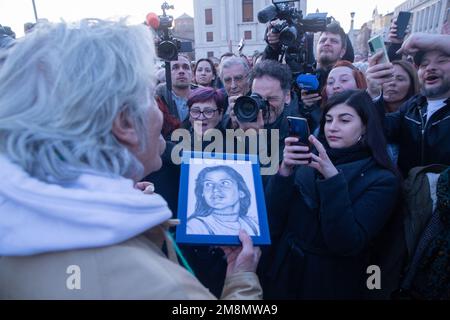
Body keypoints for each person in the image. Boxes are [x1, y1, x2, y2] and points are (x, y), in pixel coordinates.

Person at [0, 19, 262, 300]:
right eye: (150, 96)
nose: (161, 113)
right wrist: (240, 280)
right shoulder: (163, 288)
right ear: (124, 122)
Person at [260, 90, 400, 299]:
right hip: (285, 273)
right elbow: (272, 219)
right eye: (328, 119)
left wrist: (332, 180)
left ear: (365, 125)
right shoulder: (309, 159)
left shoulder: (382, 179)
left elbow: (346, 242)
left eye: (344, 120)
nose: (333, 127)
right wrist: (285, 172)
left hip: (331, 282)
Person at [367, 33, 450, 176]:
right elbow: (381, 129)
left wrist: (429, 39)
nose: (430, 68)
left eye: (441, 61)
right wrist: (374, 94)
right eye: (424, 64)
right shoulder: (412, 107)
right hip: (411, 194)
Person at [187, 166, 259, 236]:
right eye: (208, 184)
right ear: (202, 193)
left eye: (225, 183)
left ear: (241, 192)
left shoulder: (253, 224)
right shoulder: (194, 227)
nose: (215, 189)